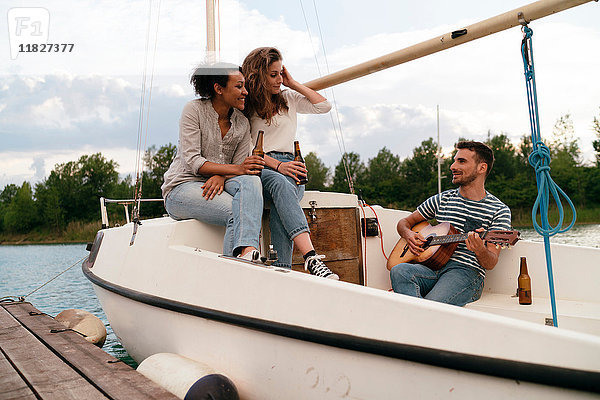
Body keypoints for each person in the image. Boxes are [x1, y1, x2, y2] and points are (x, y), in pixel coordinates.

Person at [242, 47, 338, 279]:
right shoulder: (247, 106)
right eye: (273, 75)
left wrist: (292, 83)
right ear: (258, 75)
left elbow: (323, 106)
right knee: (279, 183)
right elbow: (246, 149)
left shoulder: (288, 99)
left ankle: (282, 272)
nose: (279, 80)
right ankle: (311, 257)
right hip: (262, 164)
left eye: (281, 74)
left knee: (280, 207)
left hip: (293, 166)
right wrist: (278, 166)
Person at [161, 63, 265, 261]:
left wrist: (220, 175)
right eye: (239, 86)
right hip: (181, 187)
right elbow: (193, 161)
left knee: (252, 180)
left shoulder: (242, 123)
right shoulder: (193, 110)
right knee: (237, 212)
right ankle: (232, 271)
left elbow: (241, 169)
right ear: (219, 89)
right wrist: (234, 170)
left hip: (220, 183)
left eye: (245, 86)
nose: (245, 92)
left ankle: (247, 252)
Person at [389, 141, 512, 306]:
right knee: (399, 271)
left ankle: (414, 318)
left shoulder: (499, 210)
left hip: (465, 272)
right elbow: (404, 222)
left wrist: (479, 249)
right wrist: (408, 234)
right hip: (432, 267)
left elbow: (490, 263)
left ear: (482, 168)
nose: (452, 166)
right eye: (454, 160)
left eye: (461, 161)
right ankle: (418, 317)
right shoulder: (442, 199)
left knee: (434, 305)